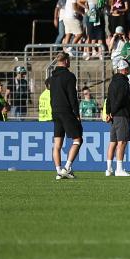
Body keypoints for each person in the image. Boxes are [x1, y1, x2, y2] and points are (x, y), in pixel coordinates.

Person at [49, 52, 82, 180]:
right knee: (78, 140)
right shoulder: (69, 76)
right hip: (66, 111)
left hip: (55, 111)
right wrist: (77, 113)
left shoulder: (52, 77)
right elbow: (72, 96)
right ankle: (66, 168)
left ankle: (58, 171)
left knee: (57, 143)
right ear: (66, 61)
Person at [104, 59, 130, 177]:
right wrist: (113, 112)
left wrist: (108, 112)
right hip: (121, 115)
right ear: (125, 69)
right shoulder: (124, 83)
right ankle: (119, 169)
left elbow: (109, 98)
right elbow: (120, 99)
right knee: (122, 142)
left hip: (114, 115)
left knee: (113, 142)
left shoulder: (113, 82)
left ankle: (109, 169)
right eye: (128, 68)